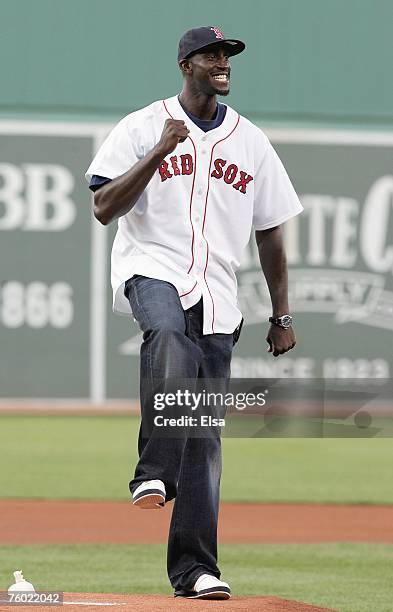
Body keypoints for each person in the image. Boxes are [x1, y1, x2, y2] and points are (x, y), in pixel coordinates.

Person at [85, 25, 303, 600]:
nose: (223, 62)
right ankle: (153, 471)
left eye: (228, 55)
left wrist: (281, 315)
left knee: (204, 438)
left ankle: (195, 571)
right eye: (212, 55)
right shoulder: (140, 126)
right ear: (186, 65)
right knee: (164, 331)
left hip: (219, 294)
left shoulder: (250, 141)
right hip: (151, 268)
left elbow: (272, 233)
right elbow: (104, 206)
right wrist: (159, 150)